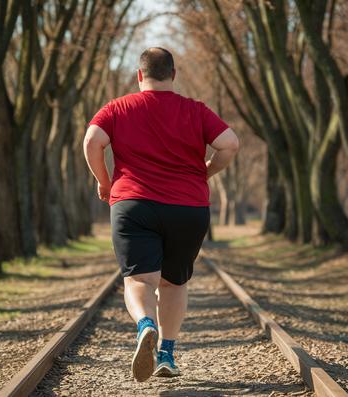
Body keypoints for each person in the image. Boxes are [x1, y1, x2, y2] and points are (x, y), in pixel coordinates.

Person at [83, 47, 239, 382]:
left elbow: (92, 141)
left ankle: (145, 325)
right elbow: (230, 144)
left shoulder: (118, 108)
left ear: (140, 75)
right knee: (173, 282)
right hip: (188, 208)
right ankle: (167, 352)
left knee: (139, 279)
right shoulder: (195, 111)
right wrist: (206, 172)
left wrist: (105, 182)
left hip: (133, 204)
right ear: (173, 75)